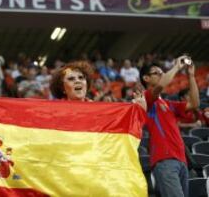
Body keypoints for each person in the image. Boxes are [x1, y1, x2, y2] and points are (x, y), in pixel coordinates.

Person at [139, 55, 199, 197]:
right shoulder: (146, 98)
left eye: (162, 72)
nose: (162, 74)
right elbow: (160, 86)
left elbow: (195, 104)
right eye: (157, 73)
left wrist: (191, 76)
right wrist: (177, 67)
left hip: (181, 159)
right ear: (146, 79)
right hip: (164, 160)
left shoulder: (169, 104)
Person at [50, 61, 145, 107]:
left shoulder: (99, 109)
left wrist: (139, 111)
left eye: (81, 77)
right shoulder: (53, 109)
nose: (77, 81)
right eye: (71, 79)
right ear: (62, 87)